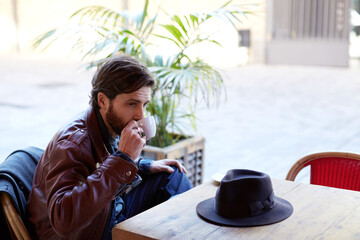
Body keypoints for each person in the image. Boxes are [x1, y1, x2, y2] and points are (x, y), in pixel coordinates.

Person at [27, 56, 192, 240]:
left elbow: (104, 165)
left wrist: (140, 165)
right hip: (88, 233)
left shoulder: (106, 125)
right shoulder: (73, 144)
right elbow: (63, 219)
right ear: (103, 101)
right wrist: (124, 159)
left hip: (108, 211)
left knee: (173, 176)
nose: (140, 115)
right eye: (132, 104)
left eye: (144, 105)